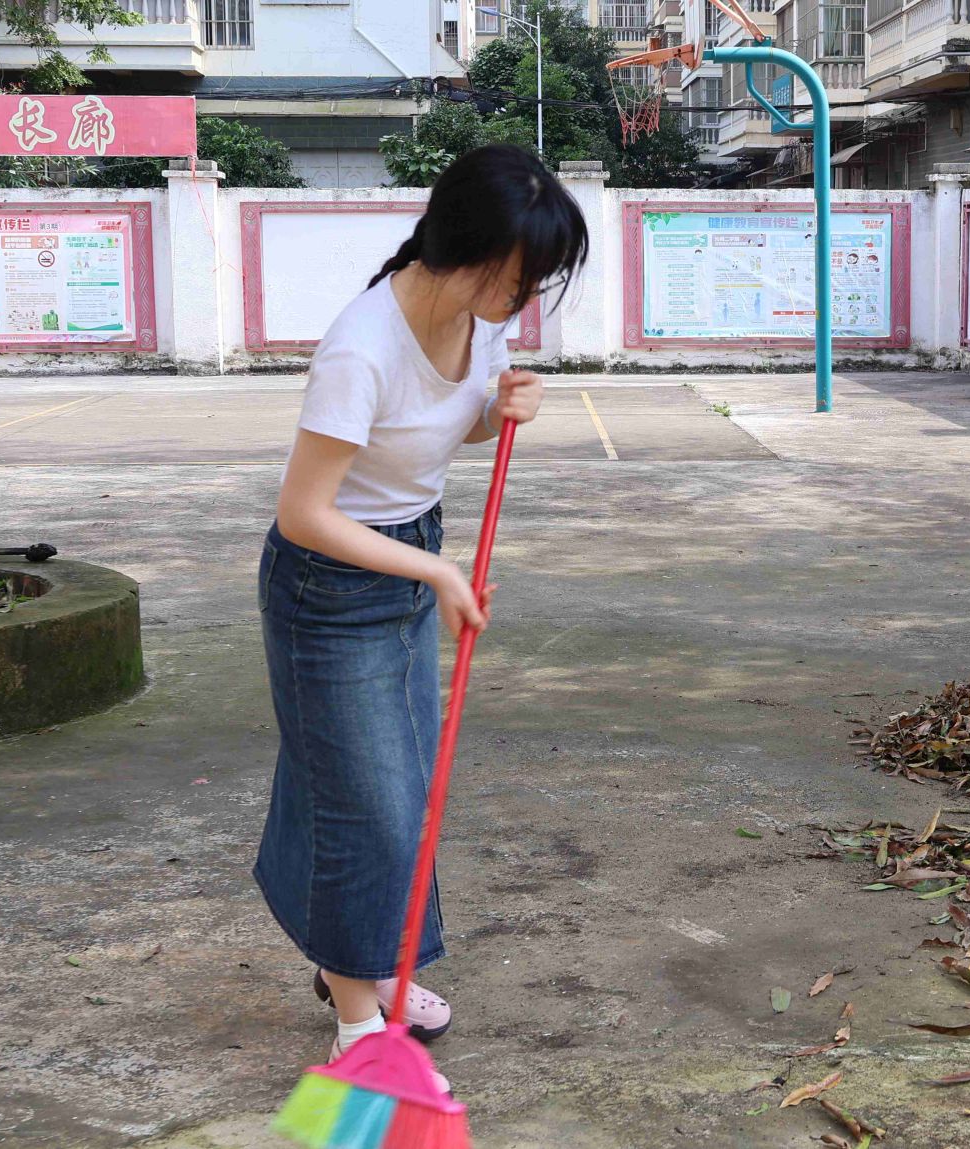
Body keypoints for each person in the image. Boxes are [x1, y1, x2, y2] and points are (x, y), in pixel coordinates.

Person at [253, 144, 589, 1066]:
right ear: (464, 248)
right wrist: (436, 575)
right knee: (371, 806)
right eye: (519, 277)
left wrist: (499, 411)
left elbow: (442, 427)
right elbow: (305, 512)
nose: (526, 298)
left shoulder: (480, 322)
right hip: (328, 586)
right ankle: (361, 1020)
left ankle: (365, 964)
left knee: (396, 791)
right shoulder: (360, 348)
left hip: (406, 558)